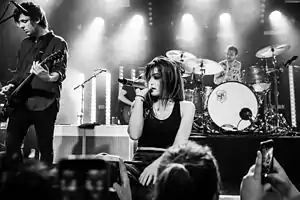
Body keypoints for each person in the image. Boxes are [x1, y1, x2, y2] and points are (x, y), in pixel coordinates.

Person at [0, 1, 68, 165]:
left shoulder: (58, 43)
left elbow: (60, 72)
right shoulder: (25, 43)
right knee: (12, 146)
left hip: (45, 103)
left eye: (24, 21)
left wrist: (48, 77)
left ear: (37, 18)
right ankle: (15, 182)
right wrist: (11, 85)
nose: (21, 26)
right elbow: (20, 71)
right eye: (19, 23)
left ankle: (43, 184)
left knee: (44, 149)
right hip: (22, 102)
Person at [126, 56, 195, 200]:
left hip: (167, 163)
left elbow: (179, 146)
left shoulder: (186, 108)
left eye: (156, 77)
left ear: (170, 79)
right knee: (104, 162)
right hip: (138, 164)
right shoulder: (141, 105)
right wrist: (138, 99)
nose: (150, 82)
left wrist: (156, 165)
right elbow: (134, 134)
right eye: (149, 78)